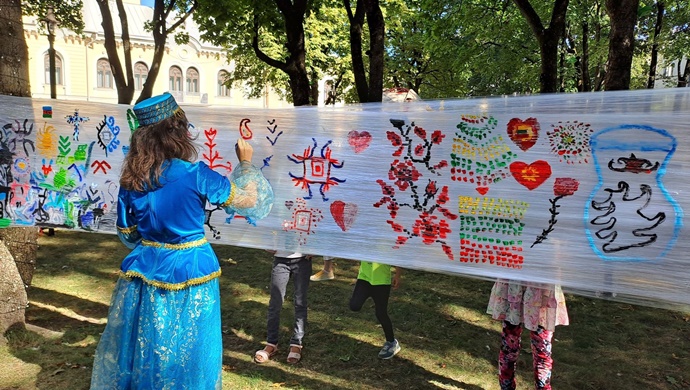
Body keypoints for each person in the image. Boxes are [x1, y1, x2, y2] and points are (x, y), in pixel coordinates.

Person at [90, 92, 271, 389]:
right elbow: (250, 200)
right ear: (177, 132)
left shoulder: (131, 180)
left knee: (150, 342)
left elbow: (127, 234)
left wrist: (154, 238)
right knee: (192, 348)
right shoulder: (196, 175)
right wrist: (246, 163)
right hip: (193, 270)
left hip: (145, 270)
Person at [486, 280, 569, 390]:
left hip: (541, 290)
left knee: (541, 348)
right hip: (514, 287)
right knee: (510, 345)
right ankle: (507, 386)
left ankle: (541, 387)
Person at [254, 251, 312, 364]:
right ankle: (271, 343)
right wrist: (267, 246)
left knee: (300, 302)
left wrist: (314, 248)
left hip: (303, 260)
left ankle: (296, 343)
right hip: (280, 260)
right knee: (275, 303)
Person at [349, 261, 402, 359]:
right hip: (364, 277)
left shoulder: (388, 245)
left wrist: (397, 275)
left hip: (381, 281)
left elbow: (397, 257)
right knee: (354, 305)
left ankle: (392, 342)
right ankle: (367, 293)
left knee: (381, 313)